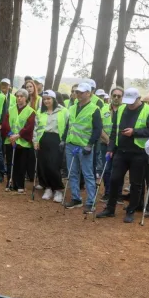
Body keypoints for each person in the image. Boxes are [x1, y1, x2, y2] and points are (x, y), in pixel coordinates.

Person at [95, 88, 149, 222]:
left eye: (132, 102)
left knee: (136, 184)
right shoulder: (121, 109)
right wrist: (111, 148)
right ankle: (110, 208)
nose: (129, 105)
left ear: (138, 98)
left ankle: (131, 210)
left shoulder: (148, 111)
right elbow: (114, 130)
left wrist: (134, 132)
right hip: (121, 152)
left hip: (139, 153)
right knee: (114, 179)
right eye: (127, 101)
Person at [62, 82, 102, 212]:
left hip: (85, 146)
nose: (78, 94)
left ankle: (91, 202)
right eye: (77, 92)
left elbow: (97, 129)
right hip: (71, 144)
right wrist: (63, 139)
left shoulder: (94, 109)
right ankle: (76, 198)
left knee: (88, 174)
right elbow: (69, 125)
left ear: (89, 93)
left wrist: (90, 144)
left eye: (81, 92)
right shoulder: (73, 107)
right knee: (72, 173)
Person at [35, 90, 67, 202]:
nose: (46, 101)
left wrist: (65, 140)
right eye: (44, 99)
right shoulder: (40, 111)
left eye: (48, 98)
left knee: (53, 165)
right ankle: (48, 188)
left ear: (54, 99)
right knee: (43, 165)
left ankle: (58, 189)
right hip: (43, 139)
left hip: (56, 139)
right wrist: (35, 141)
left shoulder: (63, 111)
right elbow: (36, 127)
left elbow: (68, 125)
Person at [6, 88, 36, 194]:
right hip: (10, 140)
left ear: (26, 98)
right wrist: (10, 135)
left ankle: (20, 185)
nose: (19, 98)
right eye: (17, 96)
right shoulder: (11, 109)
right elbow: (6, 123)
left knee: (21, 164)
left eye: (21, 96)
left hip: (23, 142)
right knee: (11, 162)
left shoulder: (31, 111)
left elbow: (29, 126)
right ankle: (10, 183)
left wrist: (18, 135)